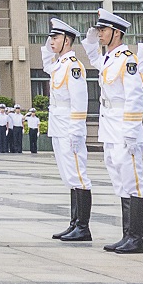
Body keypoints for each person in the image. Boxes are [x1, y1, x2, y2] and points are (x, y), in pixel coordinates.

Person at [83, 10, 143, 254]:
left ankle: (136, 238)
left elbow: (135, 96)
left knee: (133, 180)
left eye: (103, 30)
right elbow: (93, 59)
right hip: (110, 126)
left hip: (123, 125)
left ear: (117, 33)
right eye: (99, 30)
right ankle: (126, 235)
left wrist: (131, 131)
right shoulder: (109, 58)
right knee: (119, 180)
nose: (99, 34)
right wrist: (90, 41)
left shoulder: (127, 60)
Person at [42, 18, 93, 242]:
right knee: (69, 176)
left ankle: (83, 227)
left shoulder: (73, 66)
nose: (51, 41)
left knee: (78, 176)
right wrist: (49, 45)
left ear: (67, 40)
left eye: (55, 37)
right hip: (58, 125)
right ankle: (74, 223)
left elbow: (79, 102)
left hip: (70, 127)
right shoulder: (59, 64)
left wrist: (76, 132)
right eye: (51, 37)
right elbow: (46, 62)